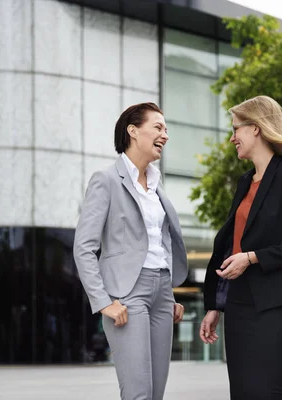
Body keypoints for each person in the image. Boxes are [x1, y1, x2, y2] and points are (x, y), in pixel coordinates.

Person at [199, 95, 282, 400]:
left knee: (269, 392)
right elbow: (231, 245)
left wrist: (252, 258)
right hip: (239, 302)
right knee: (242, 392)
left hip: (275, 303)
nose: (232, 138)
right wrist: (215, 304)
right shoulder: (244, 182)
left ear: (256, 128)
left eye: (236, 129)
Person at [74, 102, 189, 400]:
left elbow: (159, 243)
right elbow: (84, 247)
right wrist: (103, 303)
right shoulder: (106, 181)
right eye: (159, 127)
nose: (165, 134)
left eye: (166, 129)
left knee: (156, 393)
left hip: (162, 292)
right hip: (127, 295)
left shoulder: (156, 186)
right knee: (138, 392)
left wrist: (171, 294)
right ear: (133, 131)